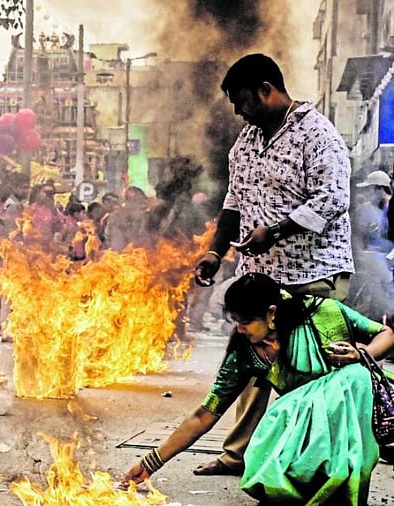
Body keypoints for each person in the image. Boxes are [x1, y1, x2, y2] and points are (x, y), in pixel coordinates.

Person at [192, 53, 354, 476]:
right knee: (250, 361)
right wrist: (215, 250)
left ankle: (313, 460)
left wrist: (276, 232)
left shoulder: (317, 135)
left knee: (309, 370)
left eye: (244, 100)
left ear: (268, 89)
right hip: (261, 277)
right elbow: (233, 202)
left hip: (313, 273)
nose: (239, 111)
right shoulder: (245, 142)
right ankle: (237, 455)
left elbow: (333, 199)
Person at [123, 272, 394, 505]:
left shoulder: (324, 313)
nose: (239, 330)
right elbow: (204, 414)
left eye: (245, 322)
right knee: (282, 418)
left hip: (350, 415)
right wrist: (150, 463)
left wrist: (362, 355)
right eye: (235, 323)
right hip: (302, 429)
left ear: (271, 313)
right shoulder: (244, 354)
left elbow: (386, 334)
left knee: (354, 377)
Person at [349, 169, 394, 321]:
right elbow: (357, 238)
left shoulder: (388, 209)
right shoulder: (366, 211)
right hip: (374, 265)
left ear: (379, 189)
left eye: (370, 188)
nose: (368, 193)